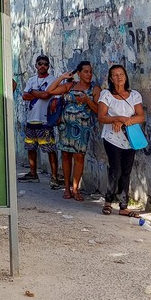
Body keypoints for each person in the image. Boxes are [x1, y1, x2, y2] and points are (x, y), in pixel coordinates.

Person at [46, 60, 100, 201]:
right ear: (79, 73)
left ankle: (76, 189)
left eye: (90, 72)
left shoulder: (95, 89)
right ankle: (67, 188)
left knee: (79, 156)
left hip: (82, 128)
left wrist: (88, 100)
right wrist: (62, 77)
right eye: (85, 71)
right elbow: (49, 91)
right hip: (65, 126)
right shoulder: (70, 86)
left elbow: (99, 110)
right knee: (65, 155)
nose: (89, 74)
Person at [97, 64, 146, 217]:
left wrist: (124, 121)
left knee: (126, 171)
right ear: (111, 78)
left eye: (121, 74)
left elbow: (141, 116)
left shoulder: (134, 95)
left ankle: (123, 206)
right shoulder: (106, 95)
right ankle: (108, 201)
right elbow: (102, 117)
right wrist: (117, 118)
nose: (119, 77)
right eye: (115, 75)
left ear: (126, 76)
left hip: (129, 139)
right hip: (112, 138)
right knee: (115, 169)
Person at [18, 55, 61, 189]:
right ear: (36, 65)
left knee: (50, 149)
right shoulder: (31, 80)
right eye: (40, 64)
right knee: (31, 148)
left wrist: (35, 93)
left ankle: (54, 177)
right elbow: (25, 96)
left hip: (45, 120)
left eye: (45, 64)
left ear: (49, 66)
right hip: (31, 119)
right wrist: (41, 94)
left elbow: (49, 95)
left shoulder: (52, 80)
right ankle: (32, 173)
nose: (43, 66)